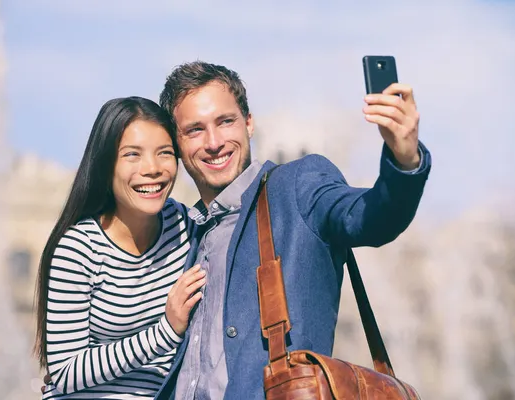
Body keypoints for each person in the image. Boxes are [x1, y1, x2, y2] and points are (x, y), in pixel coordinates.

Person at [154, 61, 432, 400]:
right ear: (177, 144)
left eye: (225, 122)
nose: (214, 142)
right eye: (195, 130)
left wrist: (404, 161)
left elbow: (371, 218)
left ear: (249, 123)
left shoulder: (297, 186)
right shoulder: (182, 230)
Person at [34, 97, 206, 399]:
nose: (152, 168)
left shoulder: (186, 228)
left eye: (164, 153)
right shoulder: (79, 248)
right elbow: (63, 371)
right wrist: (166, 330)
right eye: (132, 155)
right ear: (106, 164)